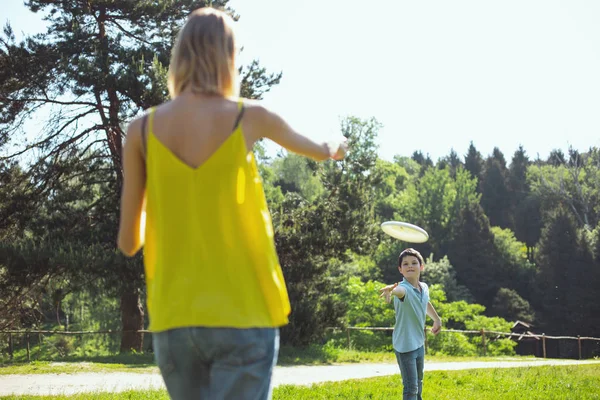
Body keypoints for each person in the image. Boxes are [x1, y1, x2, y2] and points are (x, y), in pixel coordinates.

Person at [117, 7, 347, 400]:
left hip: (175, 319)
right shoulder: (250, 117)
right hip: (244, 311)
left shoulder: (141, 129)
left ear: (180, 56)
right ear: (229, 56)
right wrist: (336, 146)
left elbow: (129, 242)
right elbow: (318, 148)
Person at [379, 248, 442, 400]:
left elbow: (424, 302)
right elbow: (399, 291)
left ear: (422, 266)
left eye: (414, 263)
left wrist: (436, 319)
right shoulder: (403, 289)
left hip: (419, 343)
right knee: (411, 388)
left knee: (418, 384)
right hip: (405, 345)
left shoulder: (424, 287)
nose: (410, 266)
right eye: (405, 264)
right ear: (400, 269)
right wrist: (390, 290)